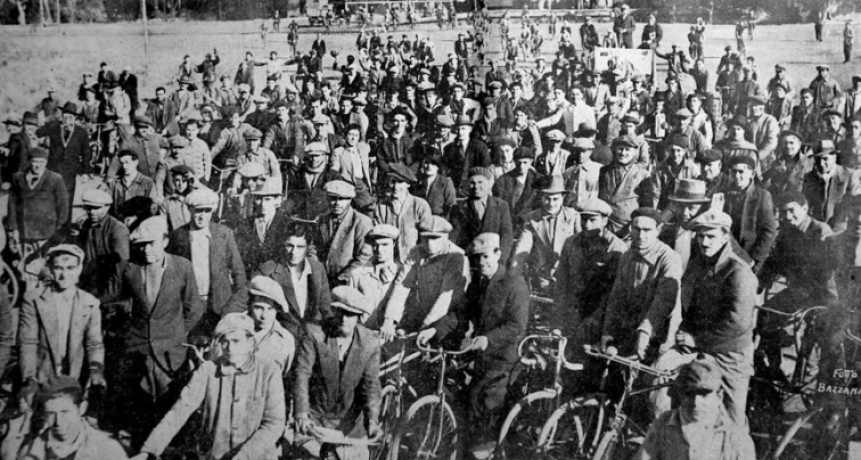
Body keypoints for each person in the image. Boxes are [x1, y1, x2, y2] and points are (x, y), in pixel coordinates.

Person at [418, 233, 529, 457]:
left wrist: (488, 339)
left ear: (498, 254)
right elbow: (461, 314)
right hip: (479, 357)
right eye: (476, 258)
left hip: (504, 361)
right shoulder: (477, 284)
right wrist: (434, 329)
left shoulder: (514, 283)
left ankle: (484, 452)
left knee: (484, 405)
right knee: (460, 397)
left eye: (486, 257)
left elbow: (516, 325)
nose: (481, 263)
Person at [102, 216, 203, 443]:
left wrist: (176, 333)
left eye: (152, 243)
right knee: (142, 409)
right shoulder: (130, 269)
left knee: (171, 408)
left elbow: (194, 307)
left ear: (165, 241)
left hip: (171, 353)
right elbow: (112, 303)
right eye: (141, 245)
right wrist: (128, 330)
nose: (147, 250)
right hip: (139, 350)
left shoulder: (182, 267)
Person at [650, 210, 757, 424]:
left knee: (731, 419)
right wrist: (684, 333)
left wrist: (697, 340)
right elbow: (692, 308)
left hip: (729, 353)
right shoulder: (699, 265)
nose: (705, 242)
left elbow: (737, 324)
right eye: (700, 236)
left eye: (711, 236)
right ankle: (665, 434)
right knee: (659, 371)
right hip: (697, 346)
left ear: (726, 237)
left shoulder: (739, 272)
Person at [131, 313, 285, 460]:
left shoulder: (269, 371)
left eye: (236, 341)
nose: (230, 348)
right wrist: (149, 451)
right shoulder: (208, 370)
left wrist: (245, 456)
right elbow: (179, 412)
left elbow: (274, 423)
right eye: (225, 341)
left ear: (251, 343)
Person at [293, 286, 382, 460]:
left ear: (359, 316)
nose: (344, 319)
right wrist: (302, 414)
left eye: (351, 314)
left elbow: (371, 385)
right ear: (334, 311)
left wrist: (372, 420)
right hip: (315, 419)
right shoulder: (315, 334)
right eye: (340, 312)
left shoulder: (369, 343)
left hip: (350, 425)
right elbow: (302, 374)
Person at [18, 245, 105, 393]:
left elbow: (94, 344)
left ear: (79, 269)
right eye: (59, 268)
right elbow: (28, 342)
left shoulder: (90, 302)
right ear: (50, 269)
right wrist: (29, 377)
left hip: (75, 377)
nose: (64, 275)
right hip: (41, 376)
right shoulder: (33, 299)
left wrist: (95, 369)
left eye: (70, 268)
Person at [601, 207, 683, 361]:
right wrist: (608, 331)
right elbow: (616, 298)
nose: (641, 235)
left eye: (647, 230)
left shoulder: (670, 258)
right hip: (631, 329)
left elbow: (663, 303)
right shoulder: (627, 256)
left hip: (659, 332)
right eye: (636, 229)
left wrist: (645, 333)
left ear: (658, 230)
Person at [633, 360, 757, 460]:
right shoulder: (664, 423)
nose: (696, 403)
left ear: (720, 395)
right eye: (689, 394)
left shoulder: (736, 438)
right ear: (680, 394)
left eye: (704, 394)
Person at [166, 187, 247, 335]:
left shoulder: (223, 234)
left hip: (219, 305)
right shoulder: (177, 236)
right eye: (198, 210)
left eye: (207, 211)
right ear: (189, 210)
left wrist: (236, 306)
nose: (202, 216)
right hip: (189, 306)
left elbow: (238, 271)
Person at [380, 216, 469, 339]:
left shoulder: (457, 257)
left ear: (446, 237)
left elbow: (445, 300)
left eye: (435, 238)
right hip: (424, 314)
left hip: (448, 321)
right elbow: (402, 287)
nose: (429, 244)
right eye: (425, 238)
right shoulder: (416, 252)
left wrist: (425, 327)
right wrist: (389, 320)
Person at [17, 376, 130, 460]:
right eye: (51, 413)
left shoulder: (107, 449)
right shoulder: (30, 453)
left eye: (65, 412)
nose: (58, 422)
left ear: (81, 409)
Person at [511, 175, 582, 295]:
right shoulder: (532, 218)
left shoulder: (574, 217)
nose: (551, 203)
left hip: (566, 278)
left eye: (555, 199)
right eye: (547, 199)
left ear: (563, 198)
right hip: (541, 278)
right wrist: (513, 270)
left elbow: (580, 248)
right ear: (541, 197)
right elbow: (522, 246)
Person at [8, 147, 69, 260]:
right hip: (24, 229)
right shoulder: (18, 177)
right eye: (35, 161)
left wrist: (59, 225)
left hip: (45, 229)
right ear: (29, 161)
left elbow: (63, 204)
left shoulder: (55, 178)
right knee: (25, 261)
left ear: (46, 162)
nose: (38, 165)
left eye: (42, 162)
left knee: (44, 260)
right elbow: (12, 203)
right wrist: (13, 228)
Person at [722, 155, 778, 275]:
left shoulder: (762, 196)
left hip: (749, 254)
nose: (736, 176)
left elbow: (769, 231)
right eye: (733, 172)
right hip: (727, 251)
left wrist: (755, 260)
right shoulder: (724, 194)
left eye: (741, 172)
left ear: (752, 174)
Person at [449, 167, 514, 264]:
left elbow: (507, 236)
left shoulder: (501, 205)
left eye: (480, 182)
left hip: (493, 260)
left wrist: (500, 259)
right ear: (467, 185)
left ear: (488, 184)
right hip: (469, 260)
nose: (476, 186)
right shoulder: (459, 208)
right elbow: (453, 235)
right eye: (472, 183)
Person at [373, 164, 433, 264]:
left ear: (408, 184)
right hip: (390, 264)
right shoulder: (381, 208)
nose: (396, 187)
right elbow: (378, 238)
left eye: (400, 182)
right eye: (393, 182)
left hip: (414, 263)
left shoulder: (419, 205)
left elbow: (427, 237)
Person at [76, 189, 129, 301]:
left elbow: (121, 263)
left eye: (96, 208)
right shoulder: (86, 225)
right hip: (88, 281)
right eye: (89, 208)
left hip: (108, 285)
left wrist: (109, 292)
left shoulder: (117, 229)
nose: (92, 212)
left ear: (107, 207)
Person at [316, 180, 373, 281]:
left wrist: (342, 278)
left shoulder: (361, 222)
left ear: (350, 200)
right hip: (323, 278)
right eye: (333, 198)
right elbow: (314, 248)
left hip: (347, 280)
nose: (337, 203)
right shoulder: (323, 220)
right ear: (328, 198)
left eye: (342, 199)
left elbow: (364, 258)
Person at [348, 224, 402, 328]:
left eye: (385, 244)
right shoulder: (357, 275)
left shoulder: (402, 274)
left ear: (394, 244)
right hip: (363, 336)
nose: (379, 250)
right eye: (375, 245)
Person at [598, 135, 650, 236]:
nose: (623, 153)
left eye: (627, 150)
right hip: (606, 225)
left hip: (628, 229)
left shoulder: (643, 175)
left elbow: (646, 207)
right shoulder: (604, 171)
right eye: (620, 149)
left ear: (634, 152)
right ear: (615, 149)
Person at [38, 102, 91, 197]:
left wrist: (85, 172)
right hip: (53, 170)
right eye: (65, 116)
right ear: (62, 116)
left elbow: (86, 153)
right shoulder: (54, 127)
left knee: (67, 200)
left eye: (70, 117)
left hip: (70, 173)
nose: (67, 120)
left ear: (75, 118)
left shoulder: (81, 133)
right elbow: (37, 133)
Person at [803, 139, 854, 227]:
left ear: (834, 158)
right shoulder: (809, 177)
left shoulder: (849, 176)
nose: (821, 164)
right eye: (817, 159)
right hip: (817, 228)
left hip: (840, 229)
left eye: (825, 159)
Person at [413, 151, 458, 221]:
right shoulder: (416, 182)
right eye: (426, 163)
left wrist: (444, 224)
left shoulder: (446, 183)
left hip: (437, 222)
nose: (429, 167)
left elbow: (450, 207)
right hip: (418, 221)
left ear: (438, 167)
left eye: (433, 164)